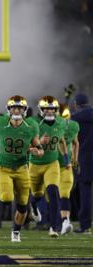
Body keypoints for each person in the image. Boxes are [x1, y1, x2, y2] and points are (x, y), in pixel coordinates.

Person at [0, 95, 43, 242]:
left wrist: (37, 152)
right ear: (9, 109)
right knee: (6, 197)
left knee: (22, 206)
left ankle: (16, 231)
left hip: (22, 168)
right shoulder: (0, 123)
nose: (16, 110)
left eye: (19, 107)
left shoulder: (31, 126)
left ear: (24, 110)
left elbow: (40, 148)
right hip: (3, 168)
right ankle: (4, 221)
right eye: (14, 107)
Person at [29, 96, 69, 238]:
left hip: (52, 163)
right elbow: (22, 143)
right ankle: (33, 206)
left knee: (53, 192)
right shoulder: (33, 122)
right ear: (41, 110)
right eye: (47, 109)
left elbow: (62, 140)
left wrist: (66, 158)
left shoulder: (61, 123)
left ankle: (54, 227)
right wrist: (38, 143)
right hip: (35, 164)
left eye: (52, 109)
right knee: (37, 195)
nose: (50, 112)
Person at [71, 93, 93, 233]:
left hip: (83, 158)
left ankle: (85, 225)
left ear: (76, 103)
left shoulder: (75, 118)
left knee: (85, 193)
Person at [58, 103, 79, 235]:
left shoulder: (69, 125)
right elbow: (76, 143)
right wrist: (75, 160)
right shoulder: (72, 125)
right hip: (50, 164)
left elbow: (76, 143)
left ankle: (65, 221)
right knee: (52, 195)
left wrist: (74, 160)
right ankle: (55, 222)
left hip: (64, 165)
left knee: (64, 194)